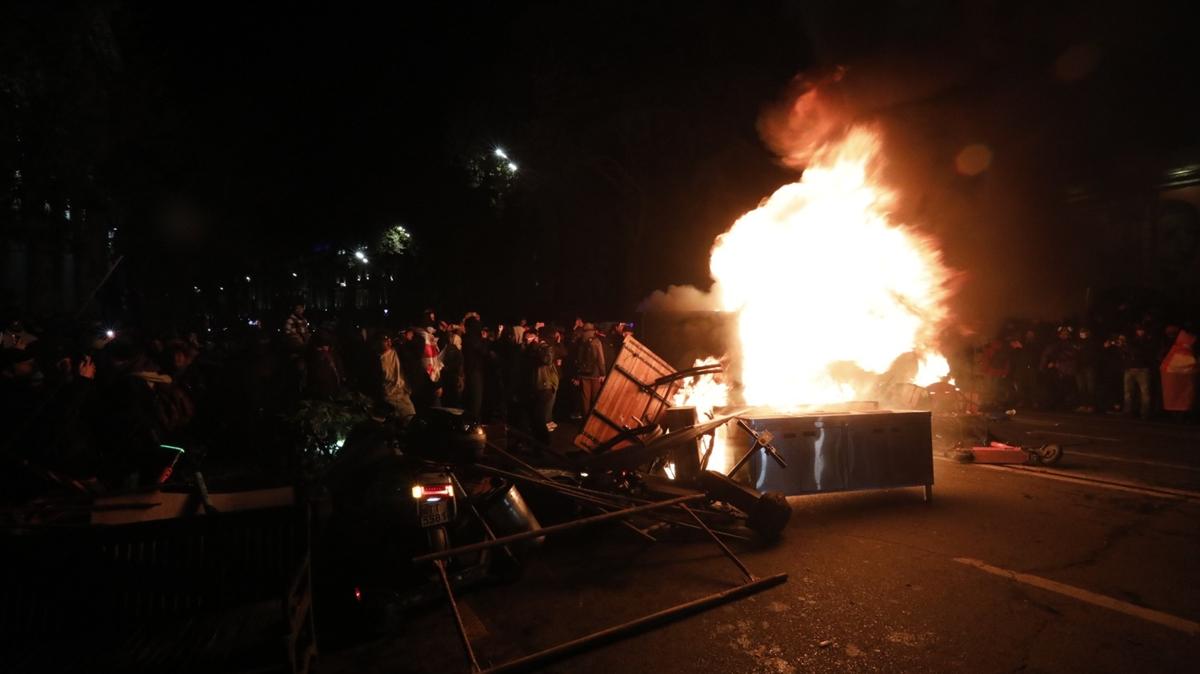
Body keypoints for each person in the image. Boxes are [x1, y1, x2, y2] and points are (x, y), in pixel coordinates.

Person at [374, 333, 415, 422]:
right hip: (388, 397)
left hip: (402, 394)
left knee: (410, 419)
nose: (389, 342)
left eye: (389, 340)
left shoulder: (397, 352)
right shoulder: (377, 360)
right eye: (385, 341)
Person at [1121, 325, 1155, 420]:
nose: (1140, 332)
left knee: (1145, 393)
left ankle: (1145, 414)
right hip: (1130, 369)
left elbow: (1143, 352)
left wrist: (1128, 346)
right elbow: (1125, 352)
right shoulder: (1132, 341)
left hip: (1142, 370)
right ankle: (1128, 412)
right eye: (1139, 330)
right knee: (1128, 393)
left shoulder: (1148, 341)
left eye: (1142, 330)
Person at [1160, 328, 1196, 418]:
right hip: (1183, 377)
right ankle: (1180, 414)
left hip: (1175, 376)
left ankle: (1177, 414)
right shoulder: (1183, 350)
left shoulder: (1176, 349)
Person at [574, 322, 606, 416]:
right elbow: (601, 359)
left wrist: (577, 375)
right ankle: (593, 418)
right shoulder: (596, 341)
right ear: (593, 331)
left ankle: (585, 418)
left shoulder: (580, 341)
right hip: (595, 374)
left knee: (585, 398)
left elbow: (577, 358)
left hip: (583, 373)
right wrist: (603, 373)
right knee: (596, 397)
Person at [1074, 327, 1101, 413]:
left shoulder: (1091, 342)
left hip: (1089, 367)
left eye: (1084, 332)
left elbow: (1094, 354)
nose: (1082, 334)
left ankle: (1091, 406)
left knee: (1090, 387)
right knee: (1081, 387)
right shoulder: (1077, 343)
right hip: (1079, 367)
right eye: (1081, 332)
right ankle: (1083, 405)